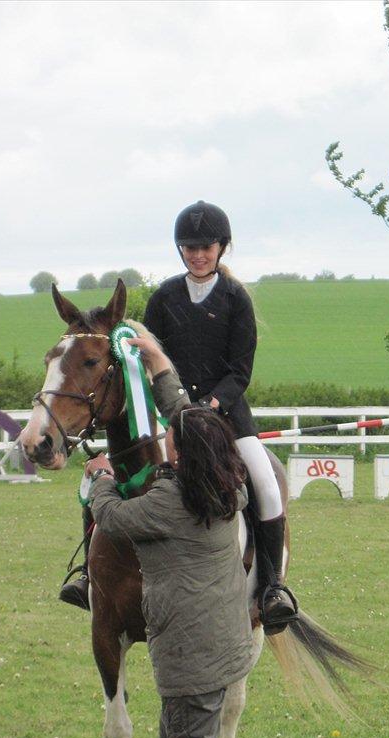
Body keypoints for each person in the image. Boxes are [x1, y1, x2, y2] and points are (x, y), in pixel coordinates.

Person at [60, 199, 297, 634]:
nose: (198, 254)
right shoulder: (166, 297)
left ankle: (272, 587)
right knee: (100, 476)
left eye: (205, 246)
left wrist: (209, 406)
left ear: (221, 247)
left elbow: (240, 371)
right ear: (180, 249)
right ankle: (88, 576)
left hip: (225, 415)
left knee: (265, 482)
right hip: (164, 414)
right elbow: (148, 359)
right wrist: (169, 406)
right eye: (189, 247)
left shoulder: (236, 299)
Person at [86, 336, 252, 738]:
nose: (167, 442)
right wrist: (158, 365)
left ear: (181, 452)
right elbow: (188, 420)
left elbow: (109, 519)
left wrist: (103, 478)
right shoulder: (225, 484)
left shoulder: (165, 503)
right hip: (223, 642)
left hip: (188, 648)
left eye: (171, 441)